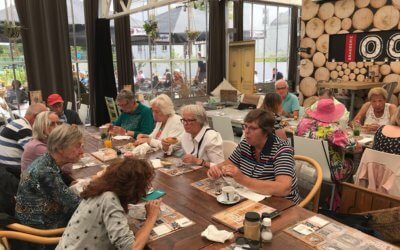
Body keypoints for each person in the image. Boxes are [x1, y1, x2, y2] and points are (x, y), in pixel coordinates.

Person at [56, 158, 160, 250]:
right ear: (133, 186)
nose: (147, 188)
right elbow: (132, 248)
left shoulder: (100, 189)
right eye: (146, 184)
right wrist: (151, 217)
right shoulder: (109, 199)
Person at [207, 109, 300, 203]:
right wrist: (215, 169)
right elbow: (227, 164)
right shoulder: (245, 144)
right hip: (254, 197)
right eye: (245, 126)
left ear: (266, 131)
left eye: (253, 128)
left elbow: (283, 189)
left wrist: (243, 179)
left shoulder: (281, 150)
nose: (246, 132)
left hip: (281, 204)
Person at [15, 124, 82, 229]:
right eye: (77, 146)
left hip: (40, 221)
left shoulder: (46, 162)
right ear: (60, 148)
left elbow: (62, 195)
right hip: (43, 234)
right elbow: (77, 206)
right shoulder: (46, 172)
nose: (81, 152)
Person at [296, 99, 354, 181]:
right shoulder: (333, 129)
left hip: (303, 166)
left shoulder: (302, 123)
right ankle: (342, 192)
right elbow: (352, 147)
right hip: (329, 171)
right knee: (351, 160)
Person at [0, 103, 46, 177]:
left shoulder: (17, 122)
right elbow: (38, 152)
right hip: (11, 171)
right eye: (45, 118)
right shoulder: (24, 129)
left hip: (4, 167)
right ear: (36, 116)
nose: (46, 122)